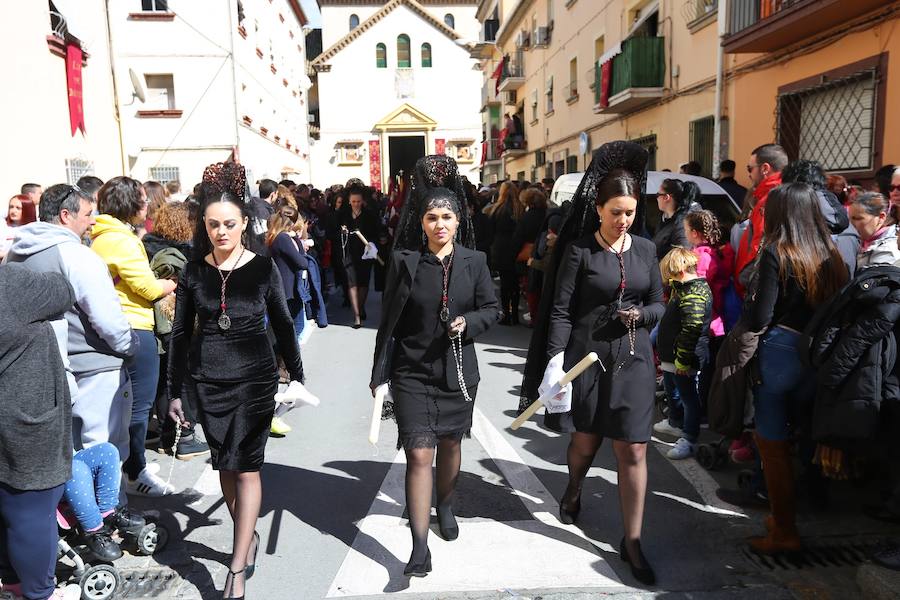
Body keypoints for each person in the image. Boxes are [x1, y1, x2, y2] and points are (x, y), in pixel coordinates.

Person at [524, 141, 665, 585]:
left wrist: (642, 315)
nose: (624, 220)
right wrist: (553, 362)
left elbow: (661, 304)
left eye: (630, 211)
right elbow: (561, 310)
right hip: (587, 362)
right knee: (585, 443)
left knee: (634, 448)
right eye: (616, 212)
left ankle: (633, 540)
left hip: (635, 360)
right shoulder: (580, 251)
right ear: (599, 208)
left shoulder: (645, 248)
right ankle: (574, 486)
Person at [167, 182, 305, 599]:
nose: (221, 232)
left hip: (254, 380)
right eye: (213, 225)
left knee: (246, 467)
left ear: (245, 223)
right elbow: (179, 332)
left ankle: (237, 566)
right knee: (225, 467)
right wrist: (175, 389)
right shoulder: (193, 271)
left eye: (229, 224)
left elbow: (282, 323)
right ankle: (249, 537)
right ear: (204, 227)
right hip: (208, 380)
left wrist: (296, 374)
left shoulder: (263, 269)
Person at [371, 155, 499, 577]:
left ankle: (445, 503)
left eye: (446, 216)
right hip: (411, 373)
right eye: (431, 217)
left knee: (450, 446)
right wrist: (379, 375)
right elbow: (387, 320)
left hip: (457, 373)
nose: (439, 223)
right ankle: (419, 547)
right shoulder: (405, 261)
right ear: (421, 221)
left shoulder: (475, 262)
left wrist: (471, 322)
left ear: (458, 220)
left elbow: (492, 308)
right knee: (419, 453)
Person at [746, 183, 848, 553]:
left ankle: (784, 531)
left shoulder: (777, 251)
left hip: (780, 350)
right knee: (802, 434)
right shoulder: (832, 253)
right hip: (819, 353)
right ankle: (787, 518)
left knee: (771, 443)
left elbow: (761, 315)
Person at [6, 184, 137, 468]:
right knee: (102, 452)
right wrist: (130, 346)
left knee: (68, 455)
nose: (93, 220)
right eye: (89, 214)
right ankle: (108, 511)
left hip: (40, 370)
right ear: (66, 215)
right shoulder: (78, 257)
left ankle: (80, 511)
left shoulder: (16, 253)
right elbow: (108, 320)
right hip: (93, 368)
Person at [91, 177, 178, 497]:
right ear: (129, 203)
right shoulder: (121, 239)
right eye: (142, 201)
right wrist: (171, 284)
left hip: (116, 325)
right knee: (138, 407)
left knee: (127, 405)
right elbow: (148, 288)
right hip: (134, 326)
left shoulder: (102, 234)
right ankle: (134, 471)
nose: (147, 206)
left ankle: (131, 462)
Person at [0, 263, 82, 600]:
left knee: (9, 510)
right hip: (23, 417)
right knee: (31, 513)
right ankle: (39, 593)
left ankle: (13, 582)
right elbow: (64, 289)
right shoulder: (11, 283)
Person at [142, 201, 209, 460]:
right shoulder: (180, 255)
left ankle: (168, 436)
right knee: (183, 380)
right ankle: (184, 437)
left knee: (164, 381)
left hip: (153, 324)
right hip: (176, 322)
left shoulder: (146, 246)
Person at [656, 247, 713, 460]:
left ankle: (689, 437)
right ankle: (676, 421)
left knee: (689, 397)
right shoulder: (685, 289)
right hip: (674, 358)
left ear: (678, 271)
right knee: (674, 390)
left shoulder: (694, 293)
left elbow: (691, 329)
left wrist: (682, 360)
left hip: (683, 359)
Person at [266, 204, 309, 436]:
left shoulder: (277, 237)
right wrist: (301, 244)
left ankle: (286, 369)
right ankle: (291, 372)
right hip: (286, 291)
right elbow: (301, 262)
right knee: (290, 332)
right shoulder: (283, 238)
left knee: (287, 332)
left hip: (285, 290)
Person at [734, 144, 788, 293]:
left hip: (755, 288)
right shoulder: (779, 194)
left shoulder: (771, 199)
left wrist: (745, 279)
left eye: (749, 168)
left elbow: (760, 245)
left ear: (765, 168)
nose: (749, 175)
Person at [339, 185, 379, 328]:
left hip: (365, 254)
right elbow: (334, 230)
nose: (356, 204)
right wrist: (343, 232)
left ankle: (361, 306)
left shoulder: (369, 215)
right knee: (352, 283)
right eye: (353, 201)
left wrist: (373, 243)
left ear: (362, 201)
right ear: (349, 201)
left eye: (358, 201)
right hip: (349, 253)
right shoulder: (343, 215)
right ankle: (356, 315)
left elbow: (376, 232)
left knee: (363, 283)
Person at [486, 181, 524, 324]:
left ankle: (506, 314)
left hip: (501, 249)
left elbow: (491, 231)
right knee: (515, 283)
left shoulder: (497, 209)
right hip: (516, 248)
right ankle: (514, 314)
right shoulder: (519, 209)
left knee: (505, 283)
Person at [511, 187, 548, 324]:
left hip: (529, 256)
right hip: (546, 255)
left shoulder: (527, 217)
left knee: (531, 288)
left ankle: (534, 316)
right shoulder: (548, 214)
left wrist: (514, 255)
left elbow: (518, 237)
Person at [850, 192, 900, 269]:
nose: (851, 224)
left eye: (858, 218)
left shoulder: (888, 251)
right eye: (849, 219)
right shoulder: (861, 242)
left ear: (881, 217)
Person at [653, 178, 698, 260]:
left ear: (666, 197)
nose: (656, 198)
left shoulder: (683, 224)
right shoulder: (668, 217)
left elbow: (683, 257)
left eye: (657, 195)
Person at [1, 195, 37, 259]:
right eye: (11, 207)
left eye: (18, 208)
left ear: (28, 210)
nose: (13, 211)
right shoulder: (3, 225)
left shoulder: (33, 229)